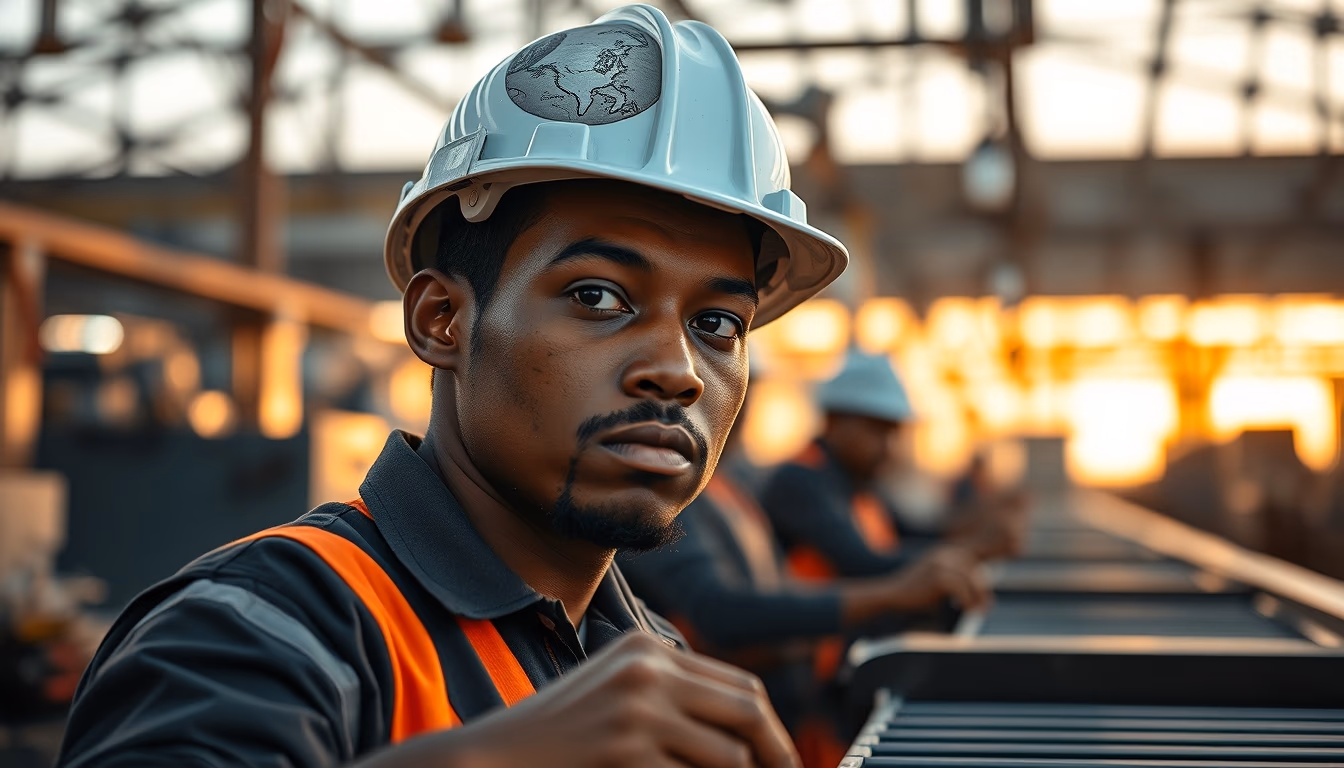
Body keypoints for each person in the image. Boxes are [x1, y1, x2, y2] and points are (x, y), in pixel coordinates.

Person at [57, 7, 852, 767]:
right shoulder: (260, 627)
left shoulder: (646, 659)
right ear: (442, 321)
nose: (677, 370)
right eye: (598, 297)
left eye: (718, 324)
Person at [618, 405, 988, 736]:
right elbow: (719, 611)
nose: (738, 405)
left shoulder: (727, 487)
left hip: (779, 702)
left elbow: (780, 587)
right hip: (710, 720)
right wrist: (892, 593)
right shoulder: (667, 494)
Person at [762, 351, 1027, 584]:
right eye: (876, 430)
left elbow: (907, 536)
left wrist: (975, 521)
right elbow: (863, 565)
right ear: (833, 421)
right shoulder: (800, 481)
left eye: (892, 434)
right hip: (826, 640)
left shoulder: (855, 482)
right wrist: (971, 550)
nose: (887, 446)